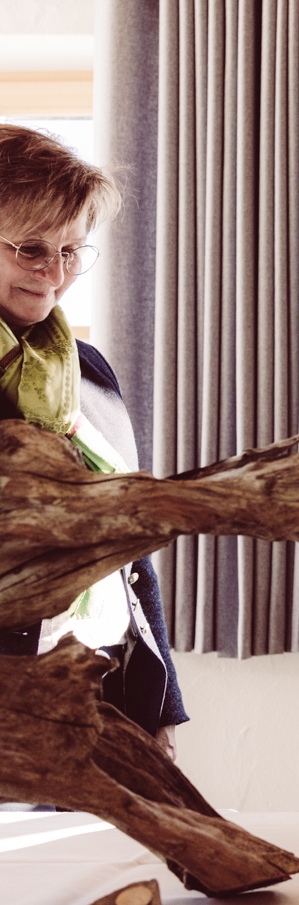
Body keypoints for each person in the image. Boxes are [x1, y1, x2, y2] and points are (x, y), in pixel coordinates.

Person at [0, 123, 186, 757]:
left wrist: (158, 709)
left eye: (73, 250)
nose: (54, 273)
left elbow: (131, 548)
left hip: (106, 686)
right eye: (30, 248)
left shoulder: (89, 369)